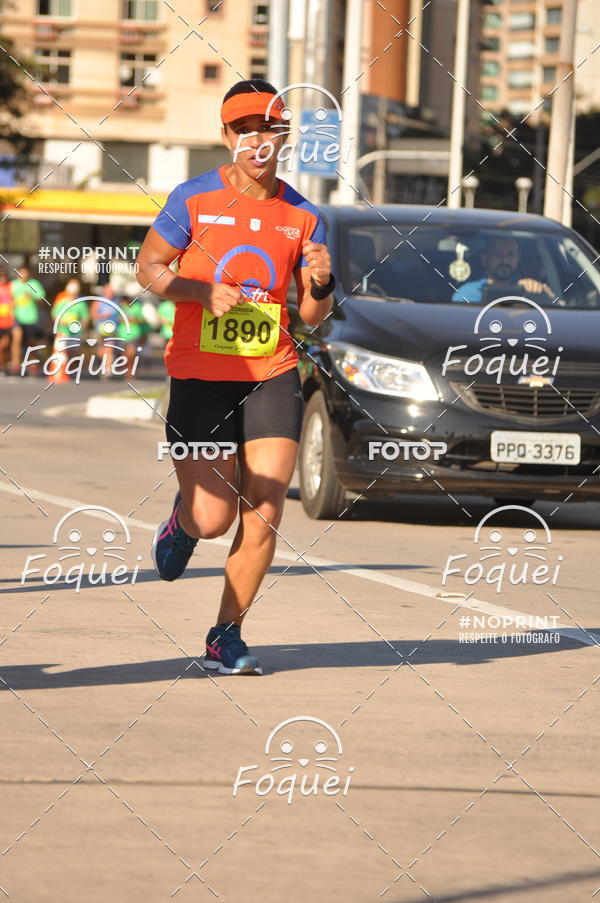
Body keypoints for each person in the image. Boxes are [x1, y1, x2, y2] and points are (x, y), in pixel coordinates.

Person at [137, 78, 334, 675]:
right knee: (214, 516)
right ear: (227, 137)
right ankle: (185, 521)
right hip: (200, 374)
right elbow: (148, 267)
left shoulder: (304, 217)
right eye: (244, 128)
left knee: (267, 507)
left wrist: (321, 284)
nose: (257, 138)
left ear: (283, 136)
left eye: (268, 127)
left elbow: (310, 317)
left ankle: (226, 632)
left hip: (271, 370)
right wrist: (199, 289)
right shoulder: (192, 199)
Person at [452, 236, 553, 303]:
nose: (505, 260)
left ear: (518, 259)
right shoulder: (466, 294)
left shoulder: (530, 290)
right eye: (498, 253)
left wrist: (543, 294)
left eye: (511, 254)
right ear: (485, 259)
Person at [11, 266, 45, 372]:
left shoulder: (34, 284)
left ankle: (32, 362)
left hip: (30, 318)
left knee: (31, 341)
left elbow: (41, 300)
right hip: (16, 316)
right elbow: (8, 298)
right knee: (17, 339)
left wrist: (32, 296)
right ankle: (15, 364)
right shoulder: (13, 285)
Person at [0, 267, 21, 375]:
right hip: (1, 321)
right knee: (2, 347)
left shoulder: (11, 287)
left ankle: (13, 366)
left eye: (4, 276)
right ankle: (3, 367)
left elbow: (15, 300)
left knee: (8, 343)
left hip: (9, 321)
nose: (3, 278)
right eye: (1, 276)